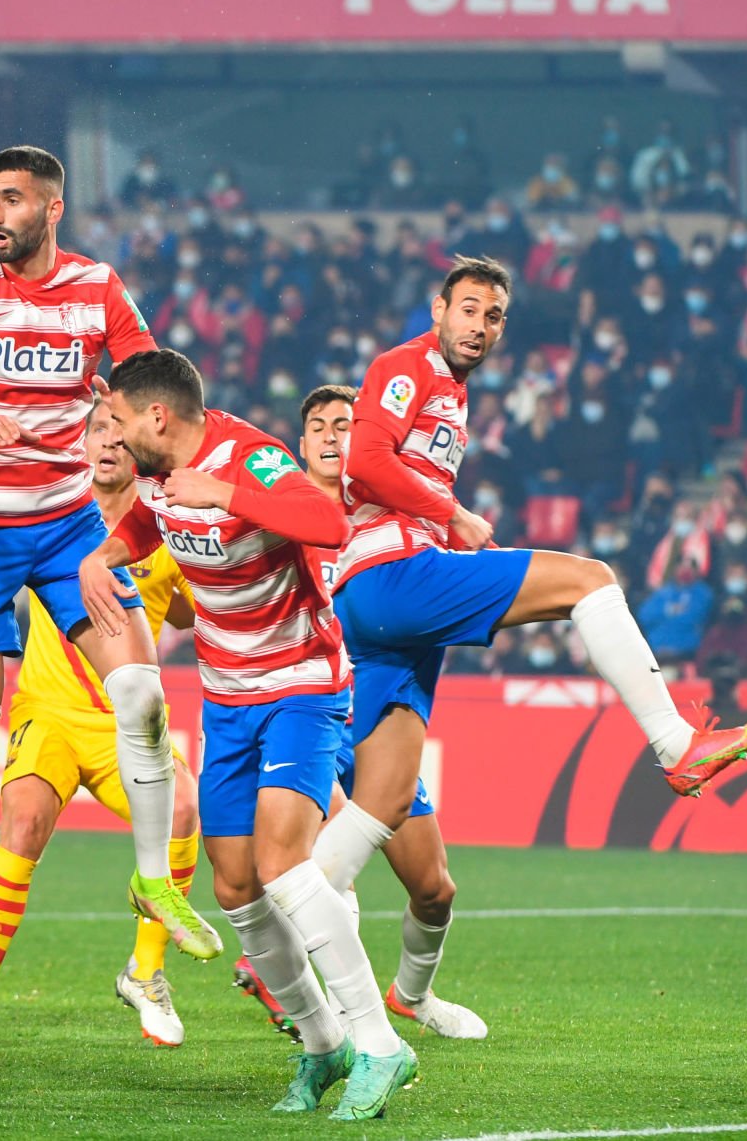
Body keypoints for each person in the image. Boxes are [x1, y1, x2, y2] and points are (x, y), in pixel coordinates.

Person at [314, 258, 747, 958]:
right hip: (392, 576)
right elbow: (366, 463)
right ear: (439, 310)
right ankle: (676, 744)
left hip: (382, 610)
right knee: (590, 579)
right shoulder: (407, 366)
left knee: (384, 801)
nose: (480, 325)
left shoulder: (453, 390)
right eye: (468, 309)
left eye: (494, 315)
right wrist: (454, 514)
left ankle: (284, 942)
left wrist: (452, 527)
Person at [0, 145, 216, 1026]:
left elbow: (150, 382)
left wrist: (143, 423)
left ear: (52, 208)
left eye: (14, 199)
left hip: (67, 528)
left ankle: (154, 880)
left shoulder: (97, 288)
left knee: (141, 691)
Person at [81, 348, 417, 1122]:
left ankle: (380, 1043)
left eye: (120, 419)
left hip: (300, 684)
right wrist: (106, 554)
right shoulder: (158, 471)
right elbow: (150, 518)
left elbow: (327, 522)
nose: (113, 435)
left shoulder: (249, 458)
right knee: (234, 883)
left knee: (282, 862)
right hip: (226, 697)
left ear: (158, 416)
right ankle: (323, 1041)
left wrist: (226, 492)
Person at [0, 402, 204, 1048]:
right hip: (48, 714)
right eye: (96, 431)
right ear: (77, 444)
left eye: (119, 435)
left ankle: (146, 972)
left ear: (140, 446)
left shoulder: (162, 530)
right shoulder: (48, 515)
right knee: (23, 821)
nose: (107, 444)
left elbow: (192, 613)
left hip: (121, 727)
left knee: (183, 807)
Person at [292, 382, 488, 1041]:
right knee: (327, 872)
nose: (330, 436)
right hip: (308, 717)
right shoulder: (279, 520)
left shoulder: (395, 524)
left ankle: (412, 996)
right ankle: (330, 1014)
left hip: (375, 723)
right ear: (301, 444)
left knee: (435, 889)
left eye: (344, 425)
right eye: (318, 426)